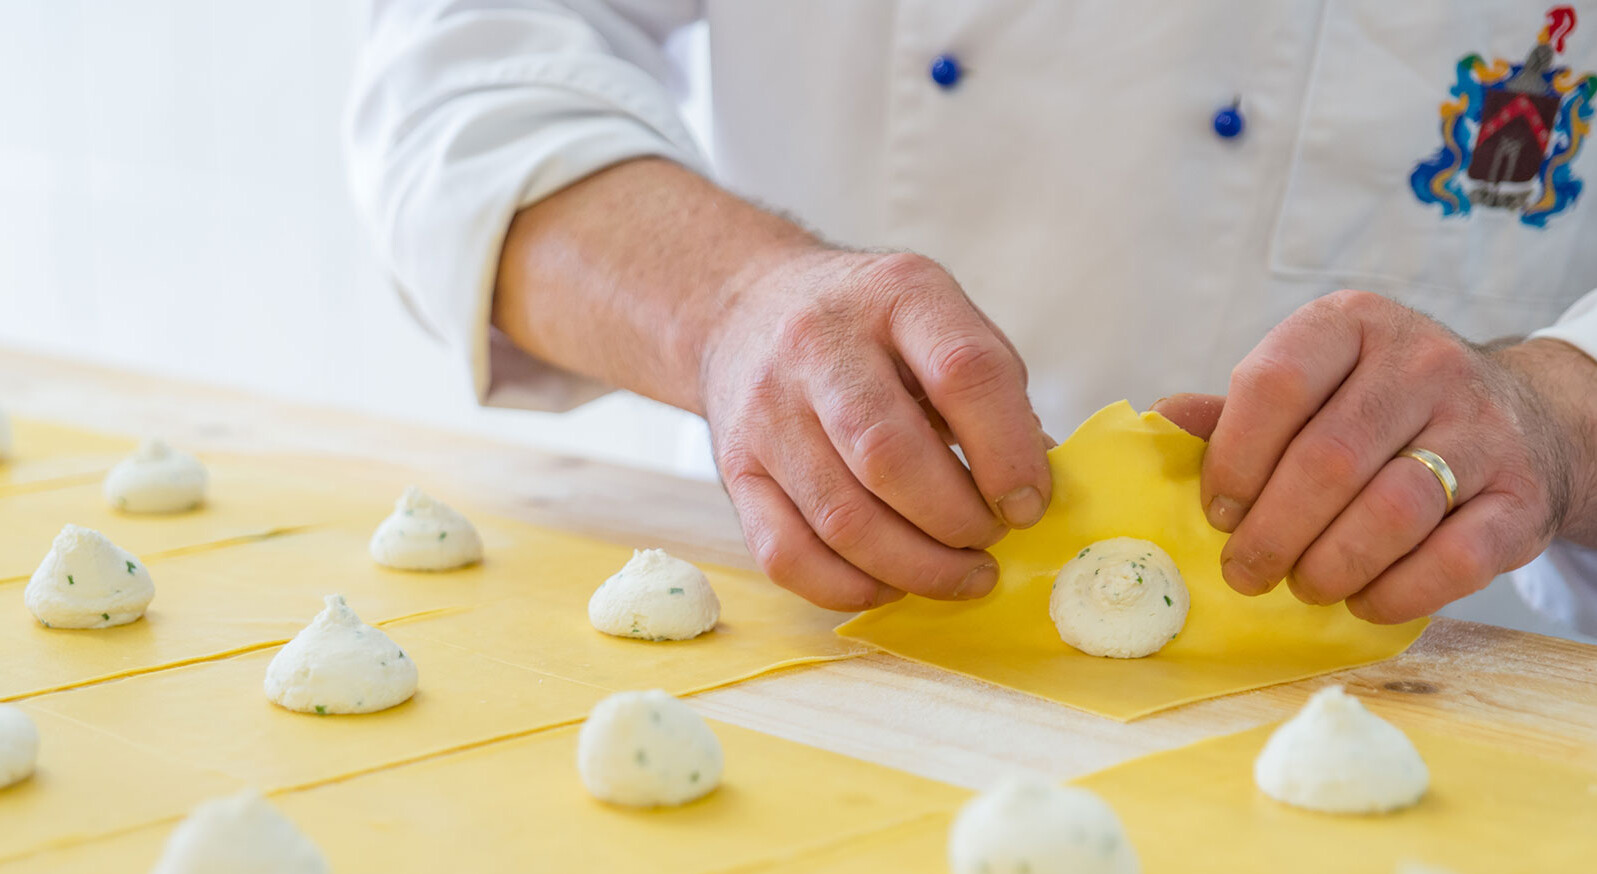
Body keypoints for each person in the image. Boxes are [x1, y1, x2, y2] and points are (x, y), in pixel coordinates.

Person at [346, 1, 1597, 634]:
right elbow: (463, 80)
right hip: (823, 647)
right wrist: (730, 306)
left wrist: (1555, 408)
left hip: (1444, 692)